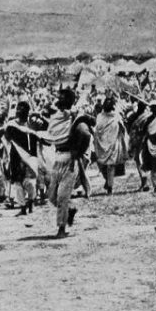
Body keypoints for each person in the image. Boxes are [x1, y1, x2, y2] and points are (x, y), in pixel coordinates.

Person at [44, 89, 92, 237]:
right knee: (51, 196)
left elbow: (86, 133)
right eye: (59, 97)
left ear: (69, 101)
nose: (59, 100)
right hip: (57, 157)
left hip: (70, 160)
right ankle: (70, 209)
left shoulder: (75, 118)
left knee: (62, 196)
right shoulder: (57, 116)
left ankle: (61, 228)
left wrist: (78, 152)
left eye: (62, 98)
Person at [3, 101, 40, 215]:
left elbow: (37, 138)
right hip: (16, 156)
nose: (19, 111)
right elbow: (7, 137)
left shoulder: (31, 124)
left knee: (30, 182)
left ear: (27, 112)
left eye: (22, 110)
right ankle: (23, 207)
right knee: (18, 182)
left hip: (30, 156)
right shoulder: (11, 125)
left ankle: (31, 202)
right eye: (18, 109)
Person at [93, 97, 127, 195]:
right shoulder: (102, 116)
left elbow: (122, 129)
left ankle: (109, 187)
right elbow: (97, 129)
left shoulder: (115, 116)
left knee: (109, 166)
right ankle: (108, 183)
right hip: (104, 144)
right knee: (105, 165)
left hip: (111, 144)